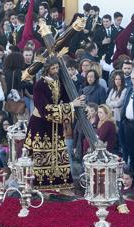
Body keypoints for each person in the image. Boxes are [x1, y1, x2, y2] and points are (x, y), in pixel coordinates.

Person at [24, 58, 86, 189]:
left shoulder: (58, 82)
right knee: (41, 156)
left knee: (59, 155)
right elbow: (44, 108)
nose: (56, 70)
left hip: (55, 125)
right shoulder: (40, 85)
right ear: (47, 69)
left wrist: (77, 100)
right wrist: (71, 105)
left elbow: (66, 98)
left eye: (57, 68)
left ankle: (60, 184)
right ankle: (39, 186)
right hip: (40, 125)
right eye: (53, 68)